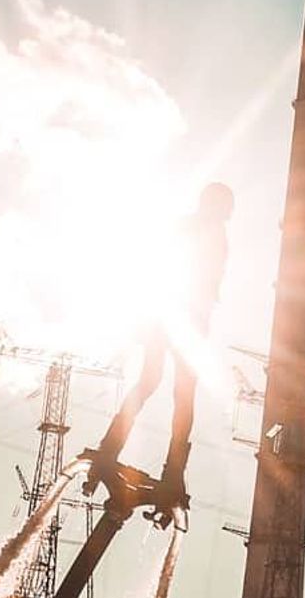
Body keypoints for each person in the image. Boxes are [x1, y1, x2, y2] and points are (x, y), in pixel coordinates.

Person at [85, 182, 232, 506]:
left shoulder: (205, 232)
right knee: (175, 391)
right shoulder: (206, 233)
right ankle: (166, 465)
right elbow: (164, 272)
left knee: (162, 386)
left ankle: (122, 449)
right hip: (177, 319)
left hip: (175, 319)